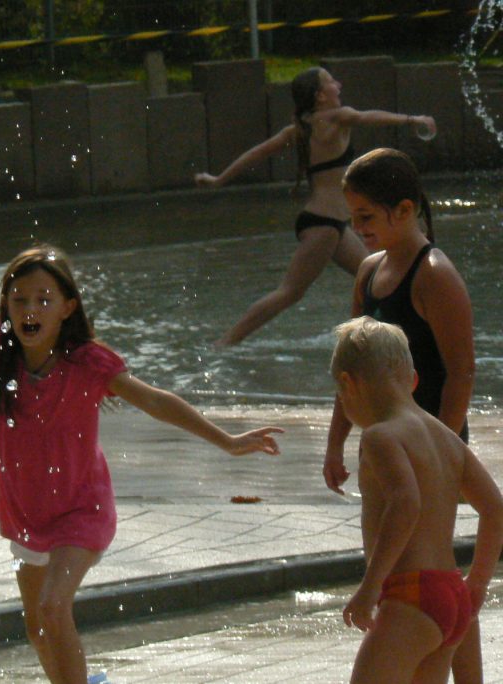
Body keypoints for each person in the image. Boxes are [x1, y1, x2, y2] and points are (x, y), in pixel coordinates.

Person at [0, 235, 282, 684]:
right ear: (7, 306)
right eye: (20, 299)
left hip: (81, 510)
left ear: (67, 307)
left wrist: (226, 440)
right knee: (36, 627)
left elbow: (155, 401)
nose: (30, 309)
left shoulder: (89, 364)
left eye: (44, 300)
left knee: (53, 606)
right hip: (26, 512)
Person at [323, 147, 481, 682]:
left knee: (436, 562)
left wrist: (443, 442)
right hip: (393, 430)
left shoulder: (434, 274)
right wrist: (335, 441)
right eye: (353, 218)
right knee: (431, 566)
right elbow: (352, 363)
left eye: (366, 217)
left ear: (405, 211)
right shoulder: (368, 272)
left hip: (433, 434)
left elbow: (461, 370)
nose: (357, 228)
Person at [193, 66, 437, 347]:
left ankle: (390, 341)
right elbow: (367, 117)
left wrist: (218, 179)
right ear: (321, 95)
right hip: (323, 223)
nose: (339, 84)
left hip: (330, 224)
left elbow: (256, 153)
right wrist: (411, 119)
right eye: (332, 81)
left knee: (376, 276)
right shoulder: (336, 118)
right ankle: (224, 343)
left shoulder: (299, 129)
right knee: (290, 292)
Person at [329, 316, 503, 683]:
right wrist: (478, 582)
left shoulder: (380, 437)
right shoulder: (447, 438)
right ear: (412, 380)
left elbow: (406, 504)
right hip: (450, 594)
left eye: (340, 396)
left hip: (411, 597)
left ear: (348, 385)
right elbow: (494, 507)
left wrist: (370, 587)